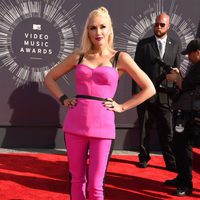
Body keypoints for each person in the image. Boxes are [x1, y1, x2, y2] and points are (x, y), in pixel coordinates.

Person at [45, 6, 155, 200]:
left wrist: (122, 107)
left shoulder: (120, 58)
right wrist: (63, 99)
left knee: (96, 187)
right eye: (92, 28)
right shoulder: (79, 56)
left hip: (103, 127)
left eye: (102, 27)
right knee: (76, 180)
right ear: (87, 31)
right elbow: (50, 77)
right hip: (75, 125)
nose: (98, 32)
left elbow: (149, 88)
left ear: (110, 29)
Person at [133, 12, 181, 170]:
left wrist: (175, 93)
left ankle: (170, 161)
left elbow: (176, 70)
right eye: (156, 24)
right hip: (145, 95)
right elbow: (135, 70)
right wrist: (137, 94)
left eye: (162, 25)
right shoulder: (143, 44)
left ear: (169, 26)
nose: (158, 27)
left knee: (167, 130)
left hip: (165, 96)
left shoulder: (175, 44)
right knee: (144, 129)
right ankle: (144, 157)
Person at [165, 38, 200, 196]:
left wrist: (176, 78)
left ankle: (186, 184)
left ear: (197, 53)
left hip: (191, 114)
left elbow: (185, 86)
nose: (188, 58)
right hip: (185, 111)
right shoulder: (195, 66)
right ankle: (182, 177)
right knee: (179, 146)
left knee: (184, 147)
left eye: (190, 54)